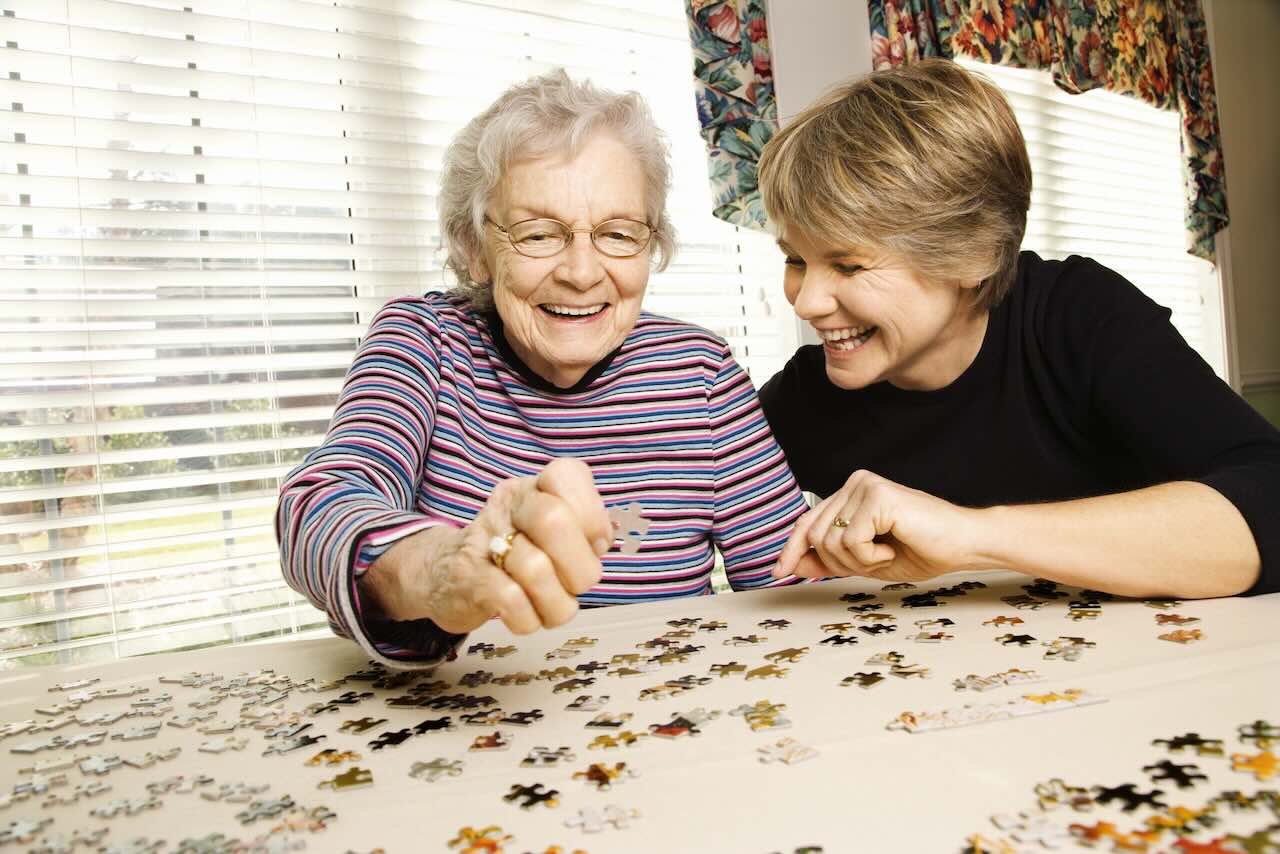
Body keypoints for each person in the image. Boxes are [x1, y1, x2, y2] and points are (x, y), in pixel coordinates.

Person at [276, 70, 808, 668]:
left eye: (617, 234)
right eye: (537, 234)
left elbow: (793, 583)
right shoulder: (423, 341)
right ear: (474, 248)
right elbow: (319, 505)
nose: (581, 273)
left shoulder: (701, 373)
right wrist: (443, 568)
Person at [756, 59, 1280, 599]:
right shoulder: (804, 395)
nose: (807, 301)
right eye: (795, 259)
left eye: (848, 265)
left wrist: (971, 535)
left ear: (972, 254)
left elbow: (1270, 499)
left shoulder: (1079, 317)